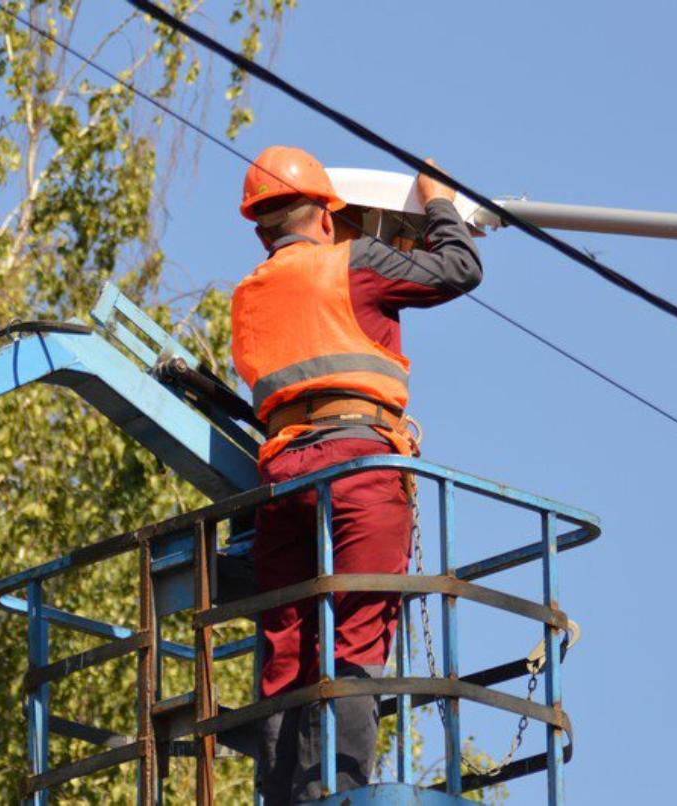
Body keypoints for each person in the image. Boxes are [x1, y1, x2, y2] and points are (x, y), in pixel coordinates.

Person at [230, 145, 483, 803]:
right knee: (359, 630)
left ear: (260, 226)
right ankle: (341, 791)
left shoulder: (249, 296)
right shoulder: (354, 263)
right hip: (359, 465)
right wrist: (440, 203)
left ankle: (283, 796)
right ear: (323, 213)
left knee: (286, 646)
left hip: (283, 477)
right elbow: (460, 268)